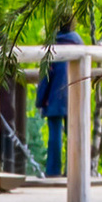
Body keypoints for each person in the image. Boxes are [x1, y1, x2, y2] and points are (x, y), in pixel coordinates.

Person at [37, 15, 83, 178]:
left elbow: (45, 75)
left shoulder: (52, 45)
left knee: (54, 136)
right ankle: (75, 170)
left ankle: (53, 172)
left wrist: (40, 100)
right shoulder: (79, 44)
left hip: (55, 96)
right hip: (76, 95)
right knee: (74, 134)